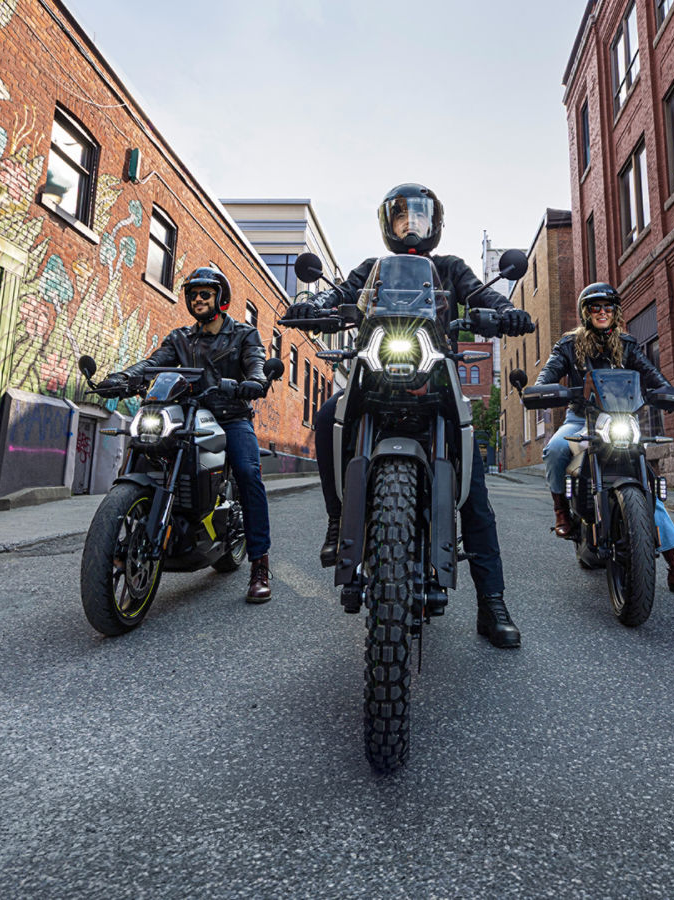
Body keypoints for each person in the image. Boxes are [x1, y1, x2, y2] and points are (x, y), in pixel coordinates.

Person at [284, 183, 535, 648]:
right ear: (388, 224)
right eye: (401, 217)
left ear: (434, 222)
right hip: (375, 374)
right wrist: (313, 305)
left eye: (417, 216)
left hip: (436, 376)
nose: (410, 224)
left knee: (475, 492)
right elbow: (339, 293)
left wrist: (506, 311)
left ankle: (492, 603)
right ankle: (338, 518)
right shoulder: (373, 269)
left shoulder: (450, 268)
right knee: (325, 419)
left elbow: (482, 297)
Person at [98, 266, 275, 603]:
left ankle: (259, 565)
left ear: (220, 298)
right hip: (183, 415)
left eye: (204, 294)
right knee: (143, 449)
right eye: (192, 294)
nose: (197, 299)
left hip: (229, 417)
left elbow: (255, 362)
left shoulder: (243, 334)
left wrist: (254, 381)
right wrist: (122, 377)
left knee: (250, 475)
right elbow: (152, 365)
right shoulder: (180, 338)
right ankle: (122, 539)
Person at [534, 281, 674, 599]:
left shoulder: (627, 344)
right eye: (595, 307)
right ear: (586, 313)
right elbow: (548, 375)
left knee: (648, 486)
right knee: (555, 449)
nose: (601, 312)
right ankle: (561, 512)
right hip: (581, 419)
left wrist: (671, 393)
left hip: (623, 420)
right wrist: (544, 389)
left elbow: (653, 377)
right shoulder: (568, 345)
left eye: (607, 307)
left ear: (616, 312)